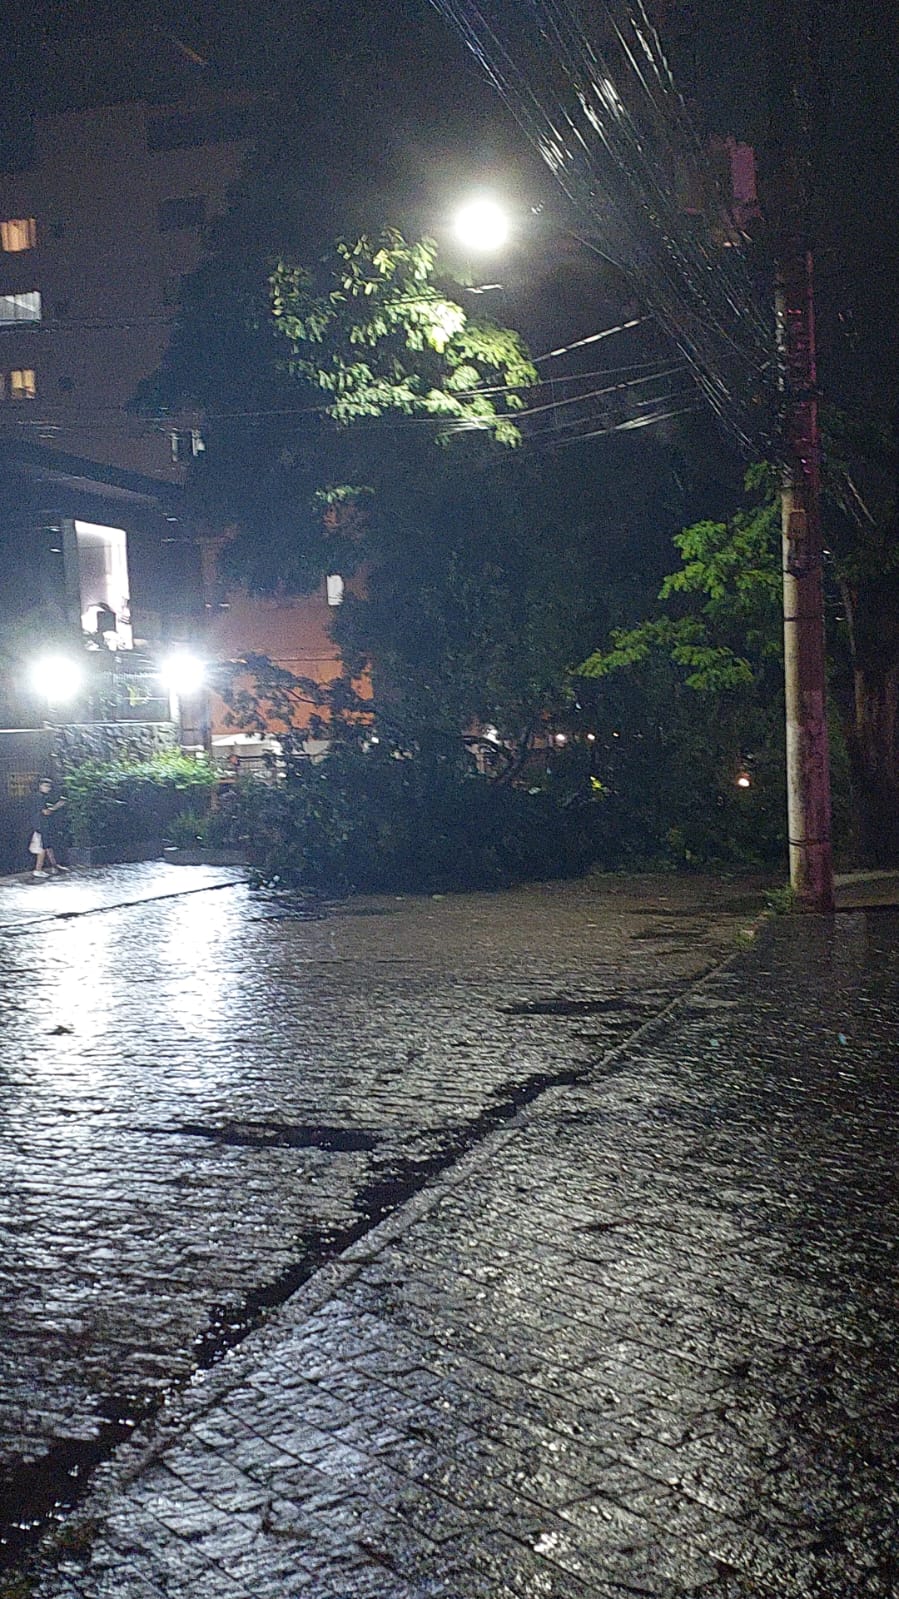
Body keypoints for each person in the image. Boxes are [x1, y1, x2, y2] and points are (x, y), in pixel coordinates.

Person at [28, 777, 69, 878]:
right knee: (42, 847)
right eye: (45, 786)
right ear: (40, 786)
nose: (48, 788)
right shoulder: (39, 797)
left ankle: (54, 866)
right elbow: (46, 812)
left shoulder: (43, 797)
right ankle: (38, 870)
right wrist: (57, 806)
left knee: (48, 846)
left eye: (49, 786)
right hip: (40, 825)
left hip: (43, 825)